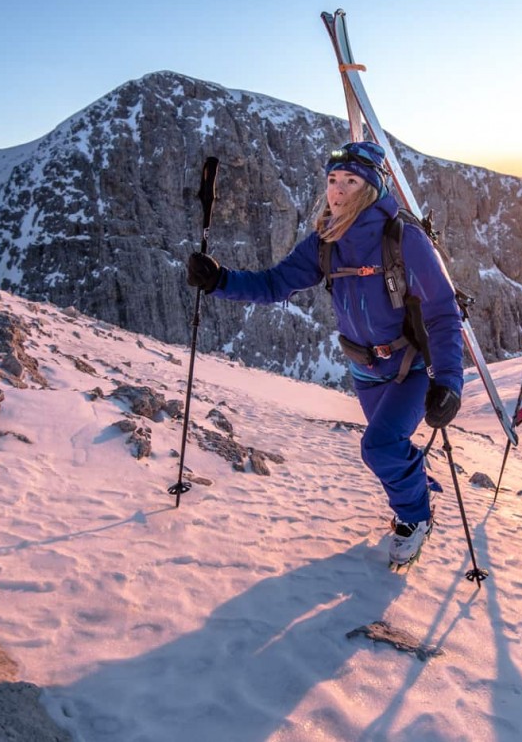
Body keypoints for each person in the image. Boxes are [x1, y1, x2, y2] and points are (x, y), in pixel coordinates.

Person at [186, 142, 464, 566]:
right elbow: (276, 284)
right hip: (366, 370)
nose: (337, 191)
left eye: (351, 181)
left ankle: (417, 517)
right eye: (333, 180)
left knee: (380, 447)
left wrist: (448, 382)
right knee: (390, 445)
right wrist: (220, 280)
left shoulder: (405, 239)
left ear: (371, 188)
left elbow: (443, 312)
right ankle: (416, 489)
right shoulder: (326, 241)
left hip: (411, 367)